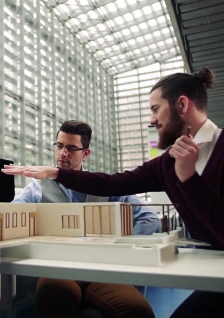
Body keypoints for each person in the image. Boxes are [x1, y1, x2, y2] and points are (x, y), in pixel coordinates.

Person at [3, 68, 224, 318]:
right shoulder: (167, 163)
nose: (151, 120)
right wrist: (55, 173)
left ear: (182, 104)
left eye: (155, 109)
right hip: (223, 282)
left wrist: (188, 176)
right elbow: (114, 183)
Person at [13, 120, 159, 318]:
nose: (63, 153)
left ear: (85, 153)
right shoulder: (38, 187)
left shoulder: (103, 185)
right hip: (61, 268)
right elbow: (13, 214)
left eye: (71, 148)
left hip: (102, 269)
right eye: (60, 146)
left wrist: (120, 250)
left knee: (138, 311)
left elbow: (149, 218)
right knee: (53, 291)